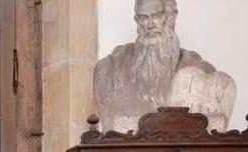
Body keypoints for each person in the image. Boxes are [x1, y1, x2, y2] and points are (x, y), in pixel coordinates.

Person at [93, 0, 235, 132]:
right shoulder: (110, 70)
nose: (149, 25)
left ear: (171, 16)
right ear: (136, 21)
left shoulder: (202, 74)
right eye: (143, 17)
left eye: (157, 16)